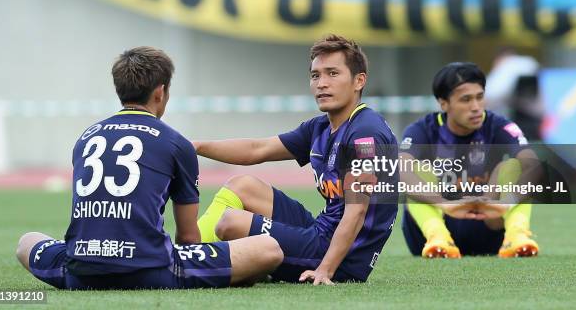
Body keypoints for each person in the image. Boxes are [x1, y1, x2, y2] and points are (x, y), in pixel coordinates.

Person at [15, 46, 283, 290]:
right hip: (151, 270)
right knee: (268, 248)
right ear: (160, 92)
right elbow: (188, 237)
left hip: (79, 270)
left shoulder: (86, 137)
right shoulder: (177, 143)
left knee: (27, 241)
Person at [194, 34, 399, 285]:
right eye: (316, 75)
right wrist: (195, 146)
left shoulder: (364, 134)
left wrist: (325, 270)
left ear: (359, 81)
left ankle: (193, 265)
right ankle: (188, 253)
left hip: (342, 258)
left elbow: (357, 212)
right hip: (321, 231)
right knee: (241, 185)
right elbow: (257, 149)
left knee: (230, 223)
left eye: (333, 74)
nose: (322, 83)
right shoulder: (321, 127)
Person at [400, 62, 540, 259]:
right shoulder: (421, 130)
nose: (475, 107)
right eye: (466, 100)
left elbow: (533, 166)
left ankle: (517, 235)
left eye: (480, 97)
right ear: (444, 103)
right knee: (413, 169)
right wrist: (443, 203)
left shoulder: (499, 126)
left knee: (515, 166)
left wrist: (506, 203)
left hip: (489, 227)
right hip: (431, 233)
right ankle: (438, 238)